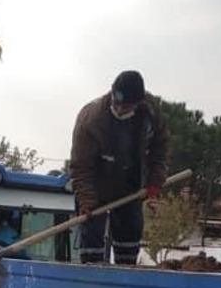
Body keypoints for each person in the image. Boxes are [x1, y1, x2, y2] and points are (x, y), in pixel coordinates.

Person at [70, 70, 168, 265]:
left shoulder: (150, 114)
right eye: (116, 103)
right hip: (95, 186)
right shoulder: (91, 118)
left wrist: (155, 181)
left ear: (138, 103)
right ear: (112, 93)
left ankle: (126, 278)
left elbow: (160, 149)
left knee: (129, 234)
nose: (120, 108)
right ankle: (92, 280)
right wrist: (87, 202)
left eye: (126, 106)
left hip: (129, 186)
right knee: (92, 239)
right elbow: (81, 167)